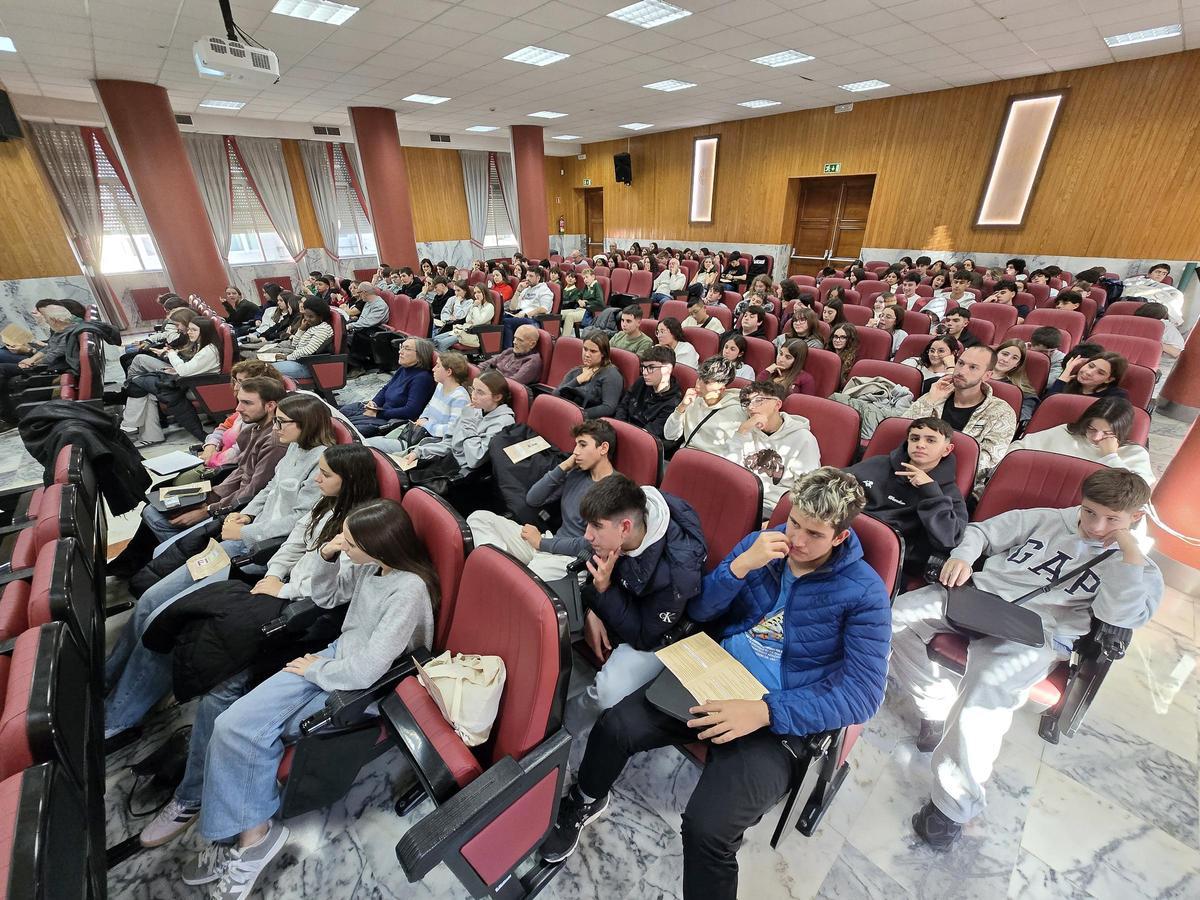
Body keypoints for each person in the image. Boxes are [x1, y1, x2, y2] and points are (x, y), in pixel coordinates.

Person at [541, 468, 890, 899]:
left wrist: (765, 711)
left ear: (839, 537)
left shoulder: (864, 594)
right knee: (617, 725)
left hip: (778, 715)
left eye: (813, 534)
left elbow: (864, 695)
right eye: (794, 523)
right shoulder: (763, 546)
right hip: (718, 674)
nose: (796, 539)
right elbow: (701, 610)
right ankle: (586, 798)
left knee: (707, 830)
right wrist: (740, 567)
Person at [891, 468, 1162, 849]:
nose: (1095, 526)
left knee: (985, 694)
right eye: (1089, 512)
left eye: (1111, 519)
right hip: (980, 598)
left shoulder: (1137, 568)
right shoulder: (1048, 519)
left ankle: (951, 808)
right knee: (894, 619)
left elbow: (1119, 617)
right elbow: (982, 532)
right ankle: (933, 710)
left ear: (1135, 517)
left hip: (1038, 632)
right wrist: (965, 557)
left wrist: (1128, 554)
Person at [182, 500, 437, 895]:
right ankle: (251, 834)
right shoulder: (372, 567)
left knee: (243, 732)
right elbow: (327, 595)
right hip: (335, 660)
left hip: (360, 684)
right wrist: (327, 554)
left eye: (350, 542)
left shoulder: (409, 590)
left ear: (379, 545)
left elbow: (369, 669)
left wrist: (316, 669)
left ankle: (251, 839)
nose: (343, 545)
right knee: (231, 724)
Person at [104, 393, 337, 740]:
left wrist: (247, 531)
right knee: (151, 601)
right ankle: (111, 678)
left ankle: (119, 716)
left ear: (306, 424)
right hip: (241, 537)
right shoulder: (292, 448)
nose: (275, 427)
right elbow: (270, 489)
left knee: (163, 616)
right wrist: (246, 514)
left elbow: (298, 523)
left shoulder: (322, 464)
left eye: (282, 422)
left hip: (253, 552)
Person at [573, 473, 707, 714]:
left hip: (654, 635)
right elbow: (591, 574)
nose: (587, 535)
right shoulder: (614, 532)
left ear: (625, 527)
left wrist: (603, 592)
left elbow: (644, 637)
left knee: (607, 694)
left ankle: (579, 719)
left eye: (596, 526)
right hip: (620, 604)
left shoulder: (676, 575)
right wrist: (594, 609)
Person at [468, 420, 617, 581]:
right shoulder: (577, 473)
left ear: (603, 448)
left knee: (524, 581)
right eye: (575, 445)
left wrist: (541, 543)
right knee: (479, 518)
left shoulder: (615, 490)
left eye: (582, 445)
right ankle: (501, 570)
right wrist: (564, 466)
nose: (575, 452)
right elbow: (533, 499)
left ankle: (506, 575)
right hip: (549, 542)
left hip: (571, 559)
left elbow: (591, 545)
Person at [845, 417, 967, 576]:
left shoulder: (948, 493)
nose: (920, 444)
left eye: (930, 440)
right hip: (845, 537)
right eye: (915, 438)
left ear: (947, 450)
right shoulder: (878, 463)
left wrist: (930, 491)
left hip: (889, 562)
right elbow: (834, 481)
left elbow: (949, 540)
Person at [902, 345, 1017, 491]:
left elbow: (986, 461)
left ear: (987, 375)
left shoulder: (1001, 412)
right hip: (909, 472)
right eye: (960, 363)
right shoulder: (937, 394)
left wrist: (930, 468)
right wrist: (929, 401)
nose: (962, 371)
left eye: (973, 367)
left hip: (954, 486)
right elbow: (903, 430)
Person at [394, 371, 516, 479]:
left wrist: (468, 422)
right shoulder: (476, 409)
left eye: (480, 392)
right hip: (448, 461)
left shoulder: (503, 422)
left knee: (407, 482)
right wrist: (420, 452)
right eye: (473, 389)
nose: (473, 395)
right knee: (398, 469)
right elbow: (450, 442)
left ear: (497, 397)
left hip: (464, 475)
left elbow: (475, 459)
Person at [121, 316, 222, 446]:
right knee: (143, 388)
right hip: (189, 379)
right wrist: (174, 368)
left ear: (205, 332)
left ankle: (131, 423)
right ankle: (149, 435)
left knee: (137, 383)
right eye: (189, 329)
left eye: (194, 330)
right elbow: (190, 367)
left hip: (198, 386)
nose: (189, 332)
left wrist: (171, 354)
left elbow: (185, 371)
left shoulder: (209, 351)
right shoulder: (202, 345)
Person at [1007, 396, 1153, 484]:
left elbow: (1138, 492)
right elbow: (1017, 449)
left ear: (1121, 432)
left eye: (1107, 433)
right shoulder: (1066, 433)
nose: (1096, 437)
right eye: (1092, 429)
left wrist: (1111, 456)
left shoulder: (1134, 453)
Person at [728, 381, 820, 518]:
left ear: (777, 405)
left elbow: (808, 490)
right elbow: (729, 471)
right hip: (738, 498)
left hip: (771, 508)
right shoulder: (746, 429)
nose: (751, 407)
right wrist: (741, 433)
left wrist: (779, 520)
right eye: (747, 403)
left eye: (758, 400)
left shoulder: (803, 439)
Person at [364, 351, 471, 455]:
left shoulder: (460, 398)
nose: (433, 369)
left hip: (430, 443)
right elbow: (429, 406)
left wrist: (426, 424)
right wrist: (423, 418)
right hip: (418, 431)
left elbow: (452, 430)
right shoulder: (441, 386)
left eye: (438, 366)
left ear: (449, 372)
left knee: (367, 445)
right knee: (367, 441)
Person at [339, 338, 436, 437]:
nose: (400, 352)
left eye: (407, 349)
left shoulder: (422, 378)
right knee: (343, 412)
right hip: (381, 410)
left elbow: (411, 411)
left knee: (348, 430)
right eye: (401, 347)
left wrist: (377, 414)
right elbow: (386, 389)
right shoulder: (403, 369)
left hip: (391, 419)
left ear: (420, 356)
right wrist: (374, 403)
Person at [663, 357, 747, 454]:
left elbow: (736, 451)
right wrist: (681, 407)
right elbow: (669, 435)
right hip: (686, 454)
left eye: (706, 382)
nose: (698, 385)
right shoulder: (693, 400)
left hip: (712, 460)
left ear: (721, 389)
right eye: (699, 378)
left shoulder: (736, 412)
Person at [613, 346, 683, 440]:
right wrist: (619, 428)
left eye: (651, 367)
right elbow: (622, 407)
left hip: (641, 440)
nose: (645, 372)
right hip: (623, 430)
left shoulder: (673, 402)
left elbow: (650, 433)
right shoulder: (641, 382)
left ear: (667, 369)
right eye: (643, 367)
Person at [555, 332, 624, 419]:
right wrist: (577, 380)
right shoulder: (576, 371)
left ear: (603, 354)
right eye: (585, 349)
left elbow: (608, 408)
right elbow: (555, 395)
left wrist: (577, 415)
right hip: (566, 415)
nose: (587, 354)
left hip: (589, 421)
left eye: (593, 351)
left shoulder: (611, 374)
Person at [267, 297, 335, 381]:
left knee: (267, 371)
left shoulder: (323, 329)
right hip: (300, 360)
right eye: (306, 315)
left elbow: (308, 351)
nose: (307, 319)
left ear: (321, 317)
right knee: (264, 366)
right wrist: (301, 330)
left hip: (309, 366)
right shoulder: (313, 326)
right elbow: (294, 344)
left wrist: (287, 357)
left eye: (311, 316)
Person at [501, 268, 554, 348]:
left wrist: (525, 314)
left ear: (538, 278)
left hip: (534, 320)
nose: (527, 278)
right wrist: (518, 291)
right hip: (520, 315)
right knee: (500, 318)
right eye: (527, 275)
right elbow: (512, 308)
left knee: (506, 322)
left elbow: (544, 309)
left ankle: (509, 350)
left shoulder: (544, 290)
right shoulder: (526, 289)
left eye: (531, 276)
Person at [434, 282, 494, 351]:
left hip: (475, 334)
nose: (476, 295)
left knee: (441, 344)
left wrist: (475, 307)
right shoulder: (478, 304)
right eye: (475, 293)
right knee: (435, 339)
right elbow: (468, 319)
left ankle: (443, 357)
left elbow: (478, 321)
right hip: (465, 330)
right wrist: (473, 316)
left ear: (485, 293)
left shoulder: (489, 306)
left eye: (479, 292)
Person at [1045, 350, 1128, 399]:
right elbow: (1046, 406)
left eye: (1100, 373)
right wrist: (1065, 373)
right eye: (1090, 366)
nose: (1089, 372)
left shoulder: (1116, 396)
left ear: (1109, 379)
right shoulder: (1067, 383)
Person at [478, 324, 543, 385]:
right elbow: (483, 365)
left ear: (532, 344)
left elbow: (512, 383)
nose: (514, 342)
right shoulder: (510, 351)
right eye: (515, 338)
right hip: (489, 382)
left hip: (500, 388)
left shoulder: (532, 361)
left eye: (520, 340)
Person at [345, 283, 391, 369]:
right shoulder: (368, 302)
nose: (358, 295)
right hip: (365, 330)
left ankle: (357, 367)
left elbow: (368, 322)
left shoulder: (379, 305)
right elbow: (362, 320)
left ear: (364, 292)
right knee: (344, 338)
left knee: (345, 340)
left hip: (374, 334)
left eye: (359, 292)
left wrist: (350, 326)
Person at [825, 322, 859, 388]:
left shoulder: (853, 360)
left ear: (849, 340)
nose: (837, 340)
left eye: (842, 337)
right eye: (835, 336)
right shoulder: (827, 354)